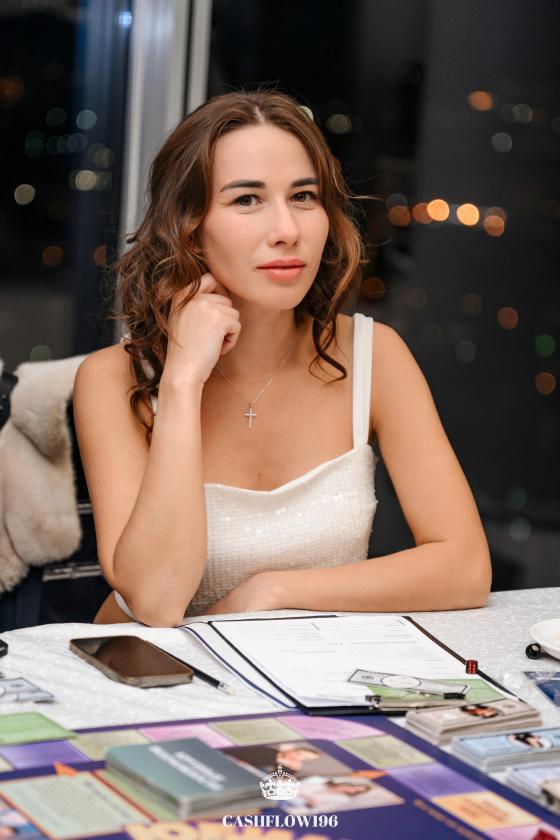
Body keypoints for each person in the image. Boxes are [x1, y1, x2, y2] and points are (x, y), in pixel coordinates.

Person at [73, 88, 492, 627]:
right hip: (157, 672)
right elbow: (156, 601)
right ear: (189, 228)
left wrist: (274, 590)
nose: (288, 231)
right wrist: (181, 381)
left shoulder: (374, 355)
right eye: (247, 200)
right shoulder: (110, 380)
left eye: (303, 196)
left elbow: (465, 568)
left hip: (309, 670)